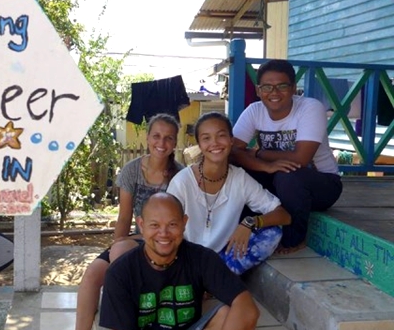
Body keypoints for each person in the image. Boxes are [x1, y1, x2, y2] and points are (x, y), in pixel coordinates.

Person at [75, 113, 185, 330]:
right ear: (147, 138)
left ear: (175, 142)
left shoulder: (180, 175)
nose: (161, 143)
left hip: (163, 241)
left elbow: (178, 224)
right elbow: (124, 216)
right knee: (91, 276)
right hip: (135, 237)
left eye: (168, 138)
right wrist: (118, 242)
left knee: (121, 258)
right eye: (156, 136)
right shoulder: (132, 170)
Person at [99, 192, 259, 330]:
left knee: (225, 314)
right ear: (141, 225)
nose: (163, 233)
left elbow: (247, 309)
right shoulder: (120, 273)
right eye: (154, 225)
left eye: (172, 224)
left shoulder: (202, 258)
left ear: (184, 223)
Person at [230, 60, 343, 254]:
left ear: (293, 89)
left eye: (282, 86)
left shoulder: (310, 108)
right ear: (258, 90)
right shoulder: (254, 111)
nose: (274, 93)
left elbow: (301, 159)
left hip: (322, 185)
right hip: (279, 182)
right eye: (267, 87)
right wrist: (266, 167)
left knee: (288, 175)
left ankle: (294, 239)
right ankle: (238, 229)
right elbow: (232, 152)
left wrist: (259, 153)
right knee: (237, 172)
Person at [166, 112, 291, 275]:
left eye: (221, 136)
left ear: (231, 140)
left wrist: (250, 222)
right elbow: (167, 230)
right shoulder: (182, 182)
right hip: (186, 257)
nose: (215, 143)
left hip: (222, 259)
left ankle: (216, 281)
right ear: (199, 144)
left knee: (272, 233)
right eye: (206, 138)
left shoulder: (239, 178)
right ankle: (206, 282)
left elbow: (283, 216)